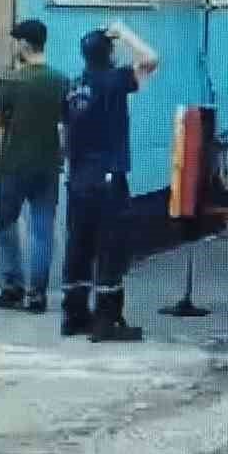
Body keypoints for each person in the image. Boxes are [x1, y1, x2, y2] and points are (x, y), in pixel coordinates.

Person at [61, 23, 158, 342]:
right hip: (108, 178)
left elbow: (64, 131)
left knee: (79, 244)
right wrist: (125, 32)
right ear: (109, 53)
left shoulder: (73, 86)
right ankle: (107, 320)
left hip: (78, 178)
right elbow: (151, 59)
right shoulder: (114, 80)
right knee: (110, 246)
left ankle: (74, 315)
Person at [0, 21, 68, 313]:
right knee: (42, 230)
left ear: (23, 45)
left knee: (7, 224)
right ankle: (37, 295)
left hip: (13, 165)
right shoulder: (61, 80)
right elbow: (66, 123)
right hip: (48, 166)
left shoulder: (11, 81)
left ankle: (12, 287)